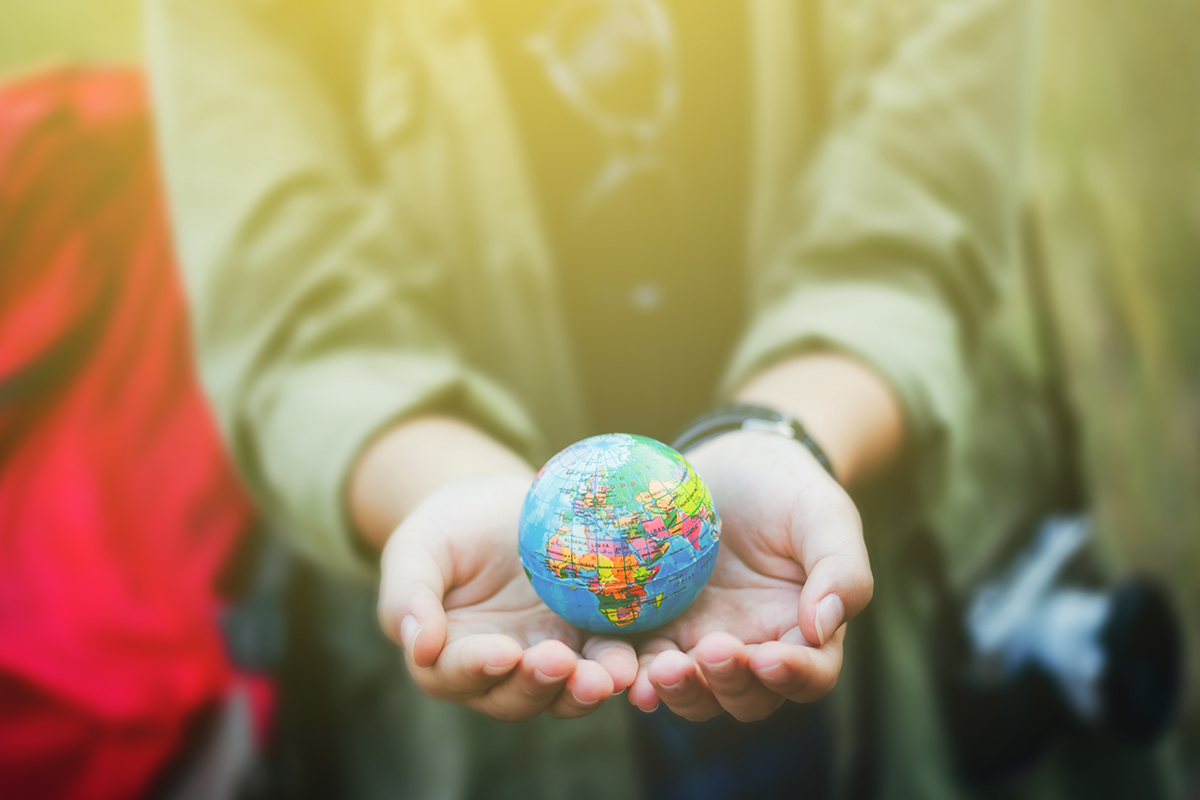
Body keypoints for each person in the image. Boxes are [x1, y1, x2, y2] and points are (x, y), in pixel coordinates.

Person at [148, 1, 1165, 798]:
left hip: (877, 594)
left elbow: (915, 219)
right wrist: (462, 490)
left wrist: (779, 436)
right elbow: (299, 313)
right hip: (486, 718)